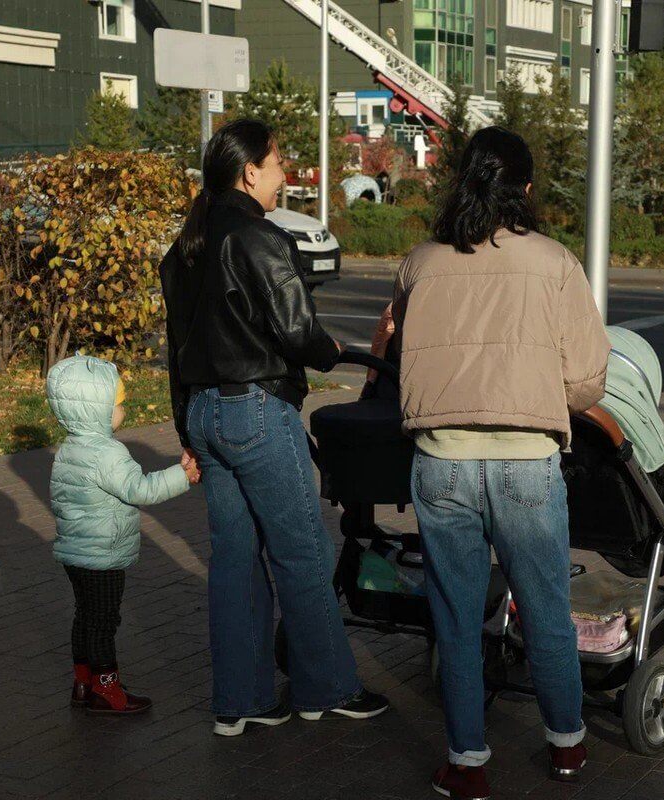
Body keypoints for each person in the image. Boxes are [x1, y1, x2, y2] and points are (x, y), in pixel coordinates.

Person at [391, 127, 610, 799]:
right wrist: (550, 399)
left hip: (442, 460)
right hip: (525, 461)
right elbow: (589, 376)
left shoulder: (420, 263)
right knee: (545, 609)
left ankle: (467, 762)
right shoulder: (556, 263)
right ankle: (567, 748)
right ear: (527, 190)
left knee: (456, 617)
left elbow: (400, 349)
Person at [159, 118, 389, 737]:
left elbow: (177, 349)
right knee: (302, 553)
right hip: (257, 412)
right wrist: (328, 347)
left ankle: (240, 701)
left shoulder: (184, 248)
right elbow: (297, 331)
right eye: (279, 162)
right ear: (249, 171)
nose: (285, 174)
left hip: (205, 413)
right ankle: (327, 688)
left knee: (233, 560)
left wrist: (188, 430)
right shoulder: (260, 238)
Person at [46, 353, 200, 715]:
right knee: (103, 621)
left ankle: (82, 682)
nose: (123, 411)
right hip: (103, 554)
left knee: (85, 616)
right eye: (119, 405)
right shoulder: (108, 453)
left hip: (76, 554)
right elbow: (141, 490)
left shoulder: (68, 449)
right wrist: (183, 475)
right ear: (96, 409)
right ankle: (106, 688)